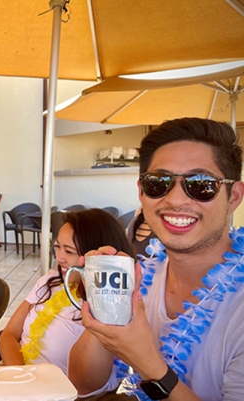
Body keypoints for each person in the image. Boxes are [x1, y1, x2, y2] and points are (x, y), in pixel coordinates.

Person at [68, 118, 244, 401]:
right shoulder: (142, 276)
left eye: (200, 184)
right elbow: (83, 385)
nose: (175, 200)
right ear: (141, 192)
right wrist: (106, 301)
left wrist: (151, 367)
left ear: (233, 196)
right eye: (158, 183)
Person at [0, 209, 136, 375]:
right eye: (57, 247)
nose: (59, 257)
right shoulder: (49, 281)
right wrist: (19, 376)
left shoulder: (110, 309)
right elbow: (9, 334)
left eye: (69, 251)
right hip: (14, 377)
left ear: (95, 255)